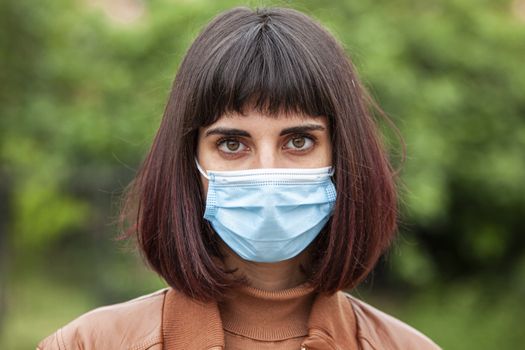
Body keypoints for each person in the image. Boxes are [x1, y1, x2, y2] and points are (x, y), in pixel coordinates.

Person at [38, 6, 440, 350]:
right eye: (232, 144)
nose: (267, 172)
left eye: (298, 141)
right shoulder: (89, 343)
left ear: (342, 155)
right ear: (189, 163)